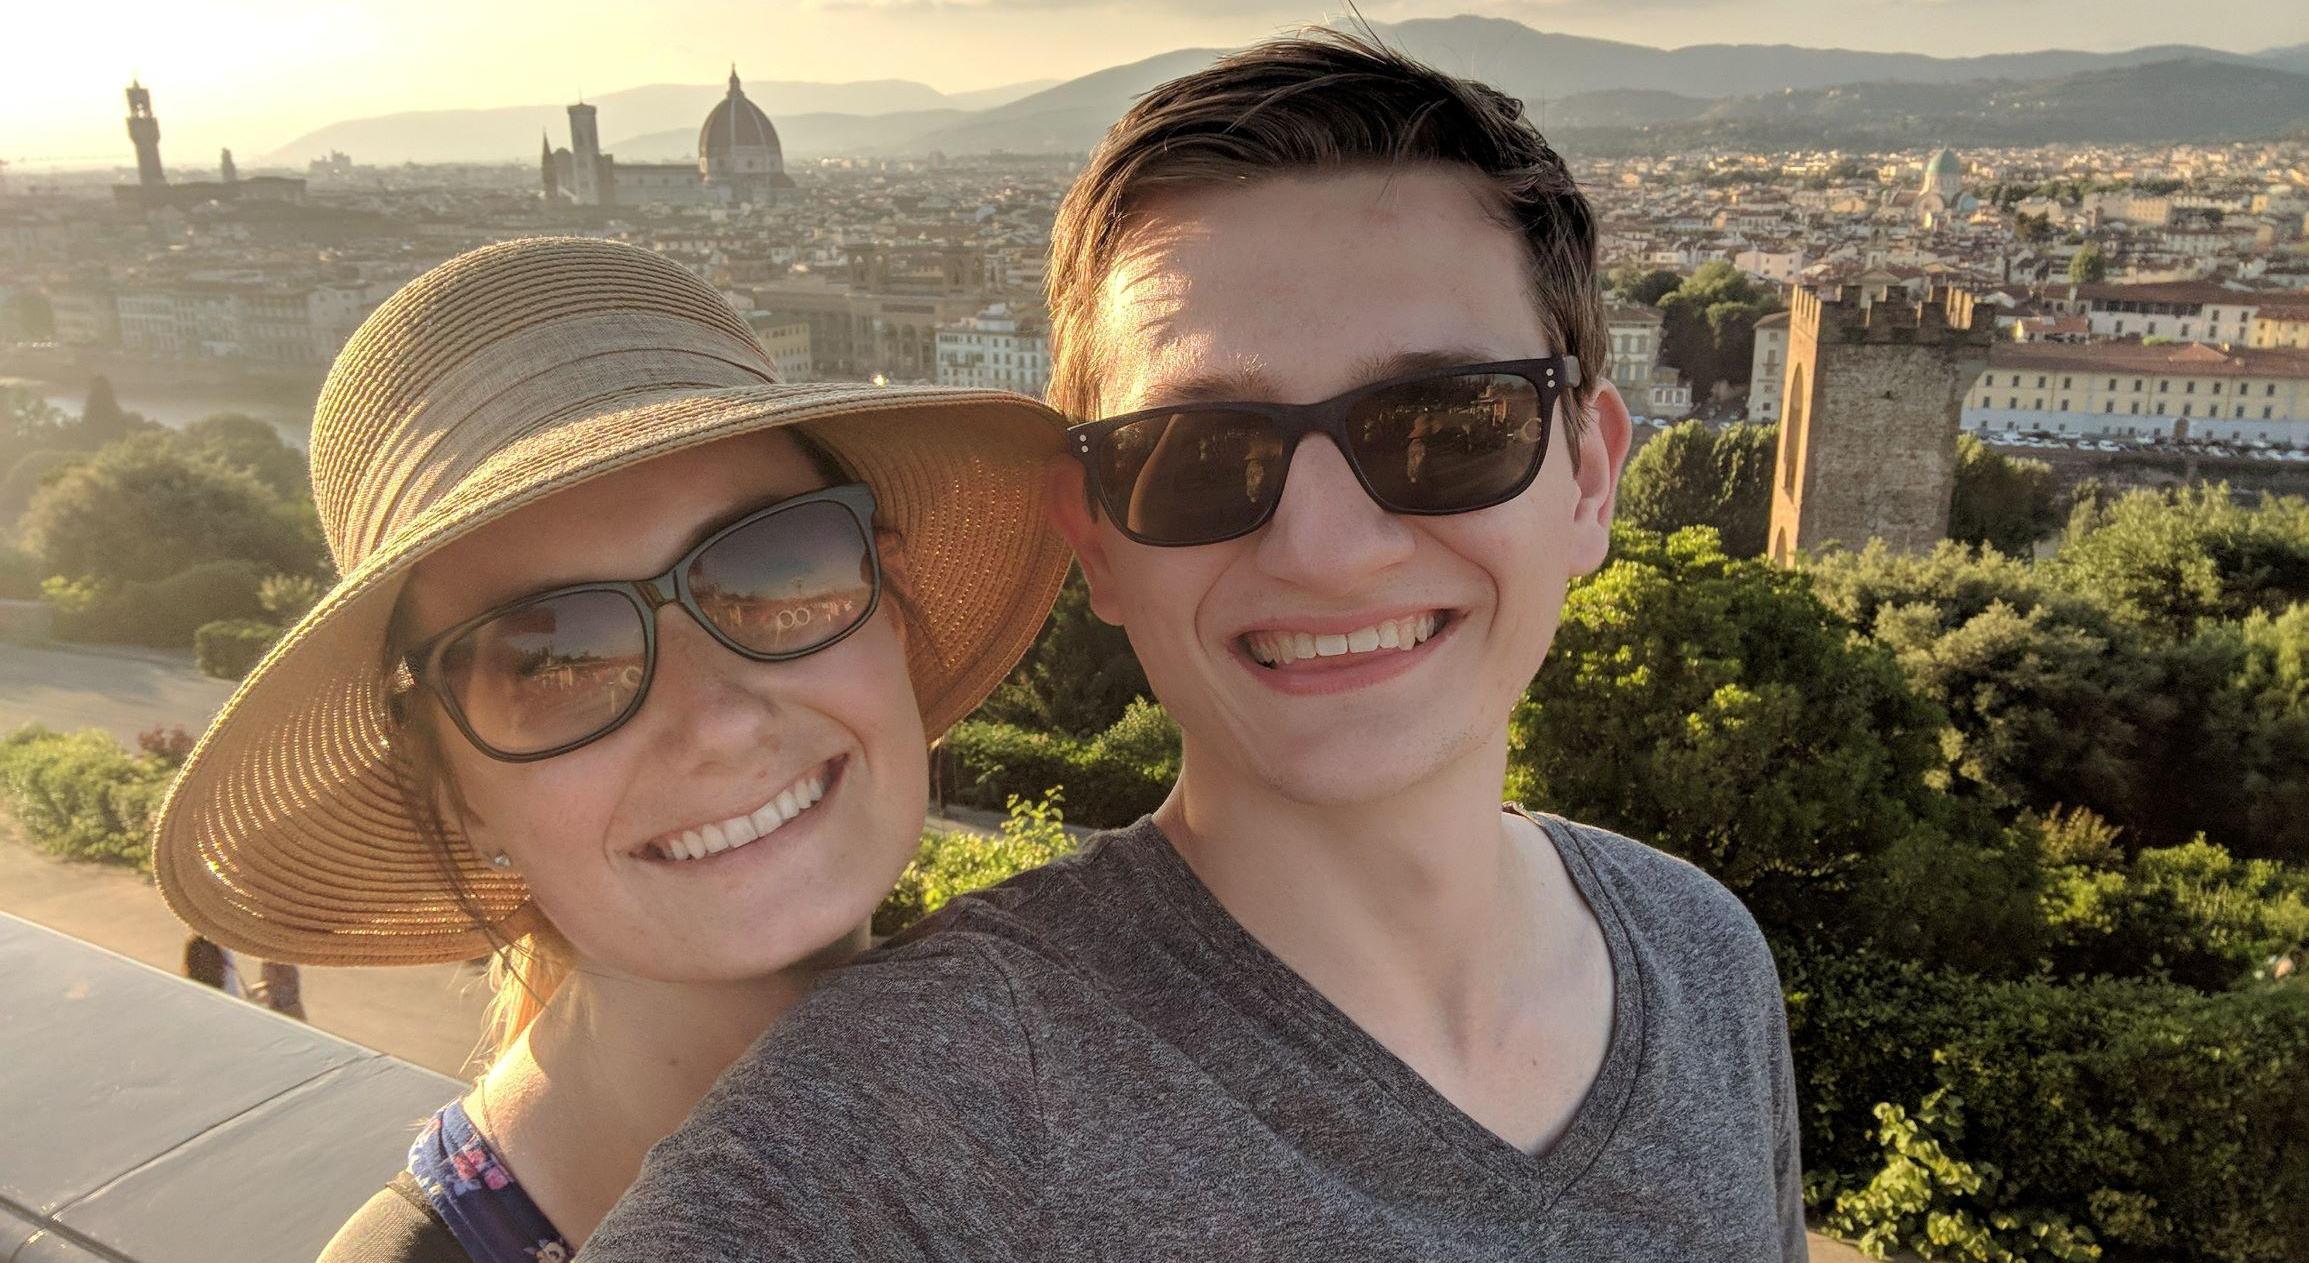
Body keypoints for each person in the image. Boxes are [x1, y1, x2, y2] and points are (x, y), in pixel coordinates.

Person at [588, 31, 1806, 1262]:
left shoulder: (1701, 957)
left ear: (1589, 478)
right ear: (1096, 543)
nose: (1328, 550)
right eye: (1198, 458)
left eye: (1445, 427)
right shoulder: (916, 1117)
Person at [148, 236, 1072, 1260]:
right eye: (553, 663)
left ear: (888, 610)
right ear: (453, 793)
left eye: (776, 570)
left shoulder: (1063, 1064)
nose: (718, 721)